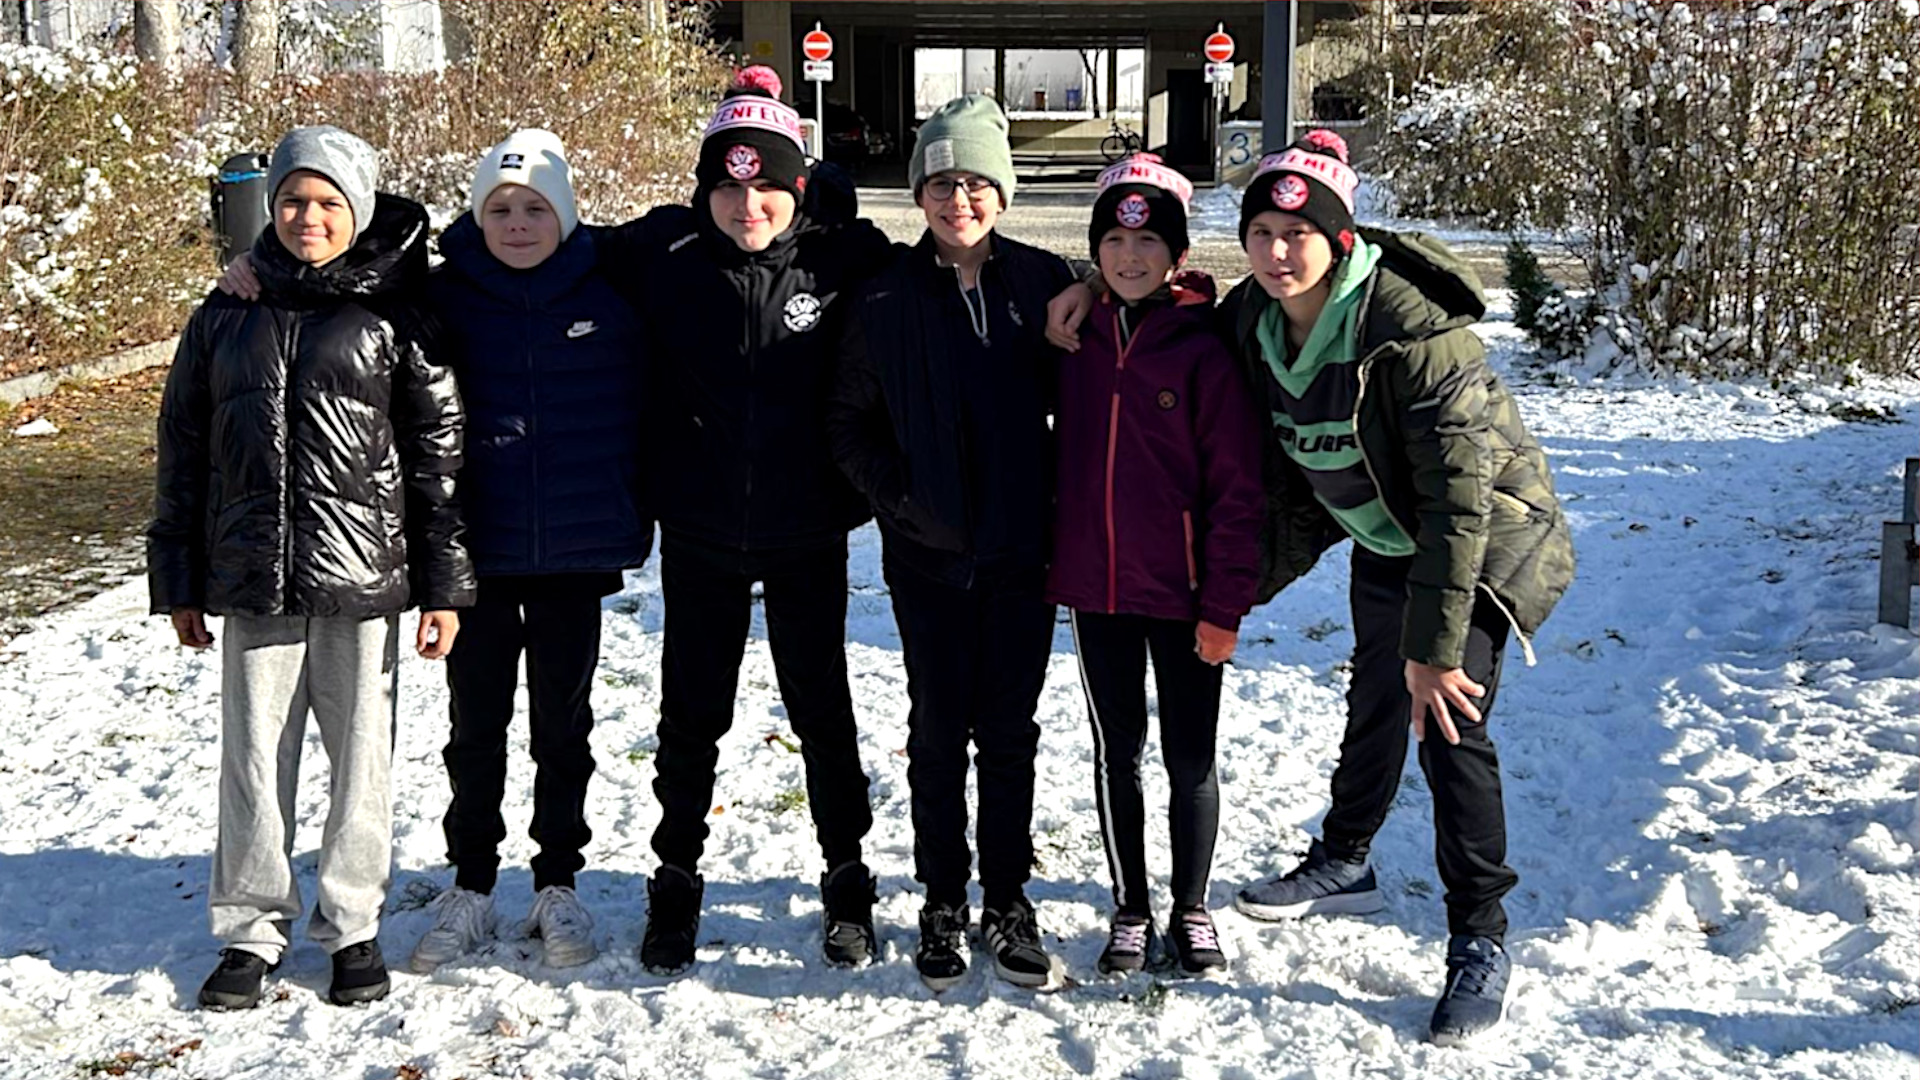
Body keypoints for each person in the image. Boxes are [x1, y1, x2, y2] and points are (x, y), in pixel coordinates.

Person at [1216, 132, 1574, 1044]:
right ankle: (1345, 860)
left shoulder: (1412, 332)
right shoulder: (1254, 322)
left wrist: (1437, 646)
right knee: (1375, 688)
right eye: (1260, 229)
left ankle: (1482, 935)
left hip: (1481, 541)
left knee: (1445, 716)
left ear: (1339, 240)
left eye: (1299, 232)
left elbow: (1460, 503)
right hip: (1386, 534)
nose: (1276, 250)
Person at [149, 125, 473, 1010]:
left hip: (363, 578)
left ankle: (353, 924)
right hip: (252, 575)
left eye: (329, 201)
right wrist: (176, 578)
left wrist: (445, 586)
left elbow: (436, 459)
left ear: (358, 209)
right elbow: (182, 449)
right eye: (294, 199)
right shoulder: (225, 312)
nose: (309, 217)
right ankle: (251, 930)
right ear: (271, 205)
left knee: (361, 757)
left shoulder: (396, 314)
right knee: (253, 758)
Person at [587, 66, 895, 976]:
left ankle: (846, 876)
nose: (747, 202)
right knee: (692, 713)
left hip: (807, 530)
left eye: (767, 184)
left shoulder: (844, 257)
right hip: (699, 529)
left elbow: (957, 268)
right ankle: (675, 877)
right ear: (704, 188)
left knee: (822, 709)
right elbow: (529, 244)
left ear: (797, 188)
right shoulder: (662, 253)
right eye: (728, 183)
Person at [827, 94, 1080, 991]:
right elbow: (845, 421)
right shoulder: (886, 296)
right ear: (920, 193)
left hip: (1022, 551)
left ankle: (1007, 897)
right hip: (926, 557)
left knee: (1008, 733)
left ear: (1002, 195)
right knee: (937, 732)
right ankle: (941, 896)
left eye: (975, 182)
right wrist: (901, 499)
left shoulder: (1048, 284)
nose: (957, 200)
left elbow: (1102, 390)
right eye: (940, 182)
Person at [405, 131, 647, 973]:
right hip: (477, 552)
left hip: (574, 551)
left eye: (536, 207)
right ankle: (471, 882)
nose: (516, 223)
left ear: (567, 215)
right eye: (500, 208)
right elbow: (346, 270)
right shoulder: (442, 295)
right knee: (476, 725)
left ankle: (558, 881)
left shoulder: (613, 285)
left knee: (563, 725)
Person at [1046, 154, 1264, 977]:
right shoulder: (1071, 337)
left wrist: (1225, 605)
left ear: (1175, 255)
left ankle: (1192, 905)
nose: (1129, 256)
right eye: (1113, 239)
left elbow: (1238, 492)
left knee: (1190, 757)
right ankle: (1131, 907)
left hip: (1186, 595)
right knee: (1118, 752)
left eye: (1146, 242)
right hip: (1094, 587)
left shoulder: (1204, 352)